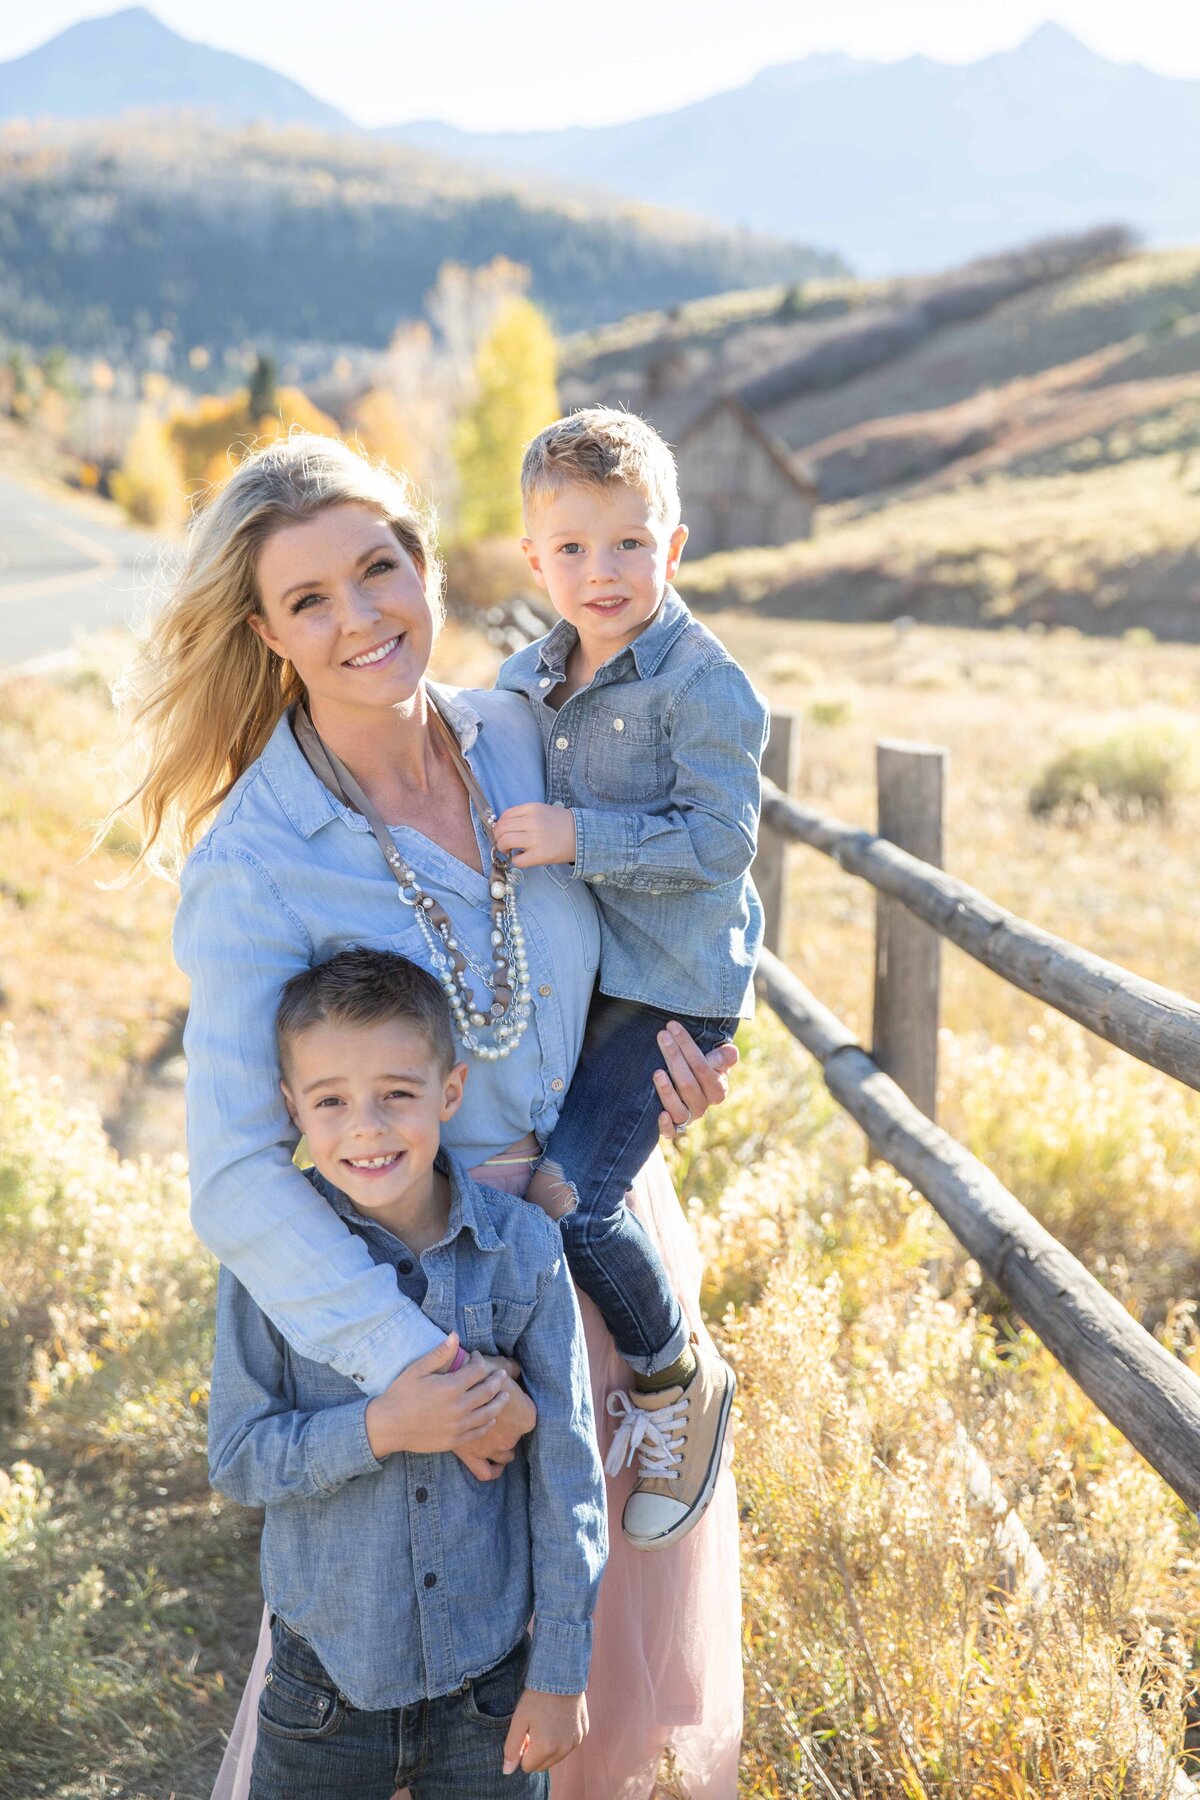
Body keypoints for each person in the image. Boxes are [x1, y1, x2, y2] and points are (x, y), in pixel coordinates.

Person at [119, 431, 743, 1798]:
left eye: (377, 569)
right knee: (434, 1713)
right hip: (438, 1311)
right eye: (309, 601)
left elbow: (660, 912)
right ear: (267, 633)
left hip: (602, 1239)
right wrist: (418, 1373)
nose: (361, 618)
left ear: (424, 565)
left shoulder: (523, 732)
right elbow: (232, 1174)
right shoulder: (258, 859)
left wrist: (667, 1062)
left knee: (604, 1686)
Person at [208, 947, 606, 1799]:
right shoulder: (270, 1263)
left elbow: (569, 1468)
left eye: (397, 1094)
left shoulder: (521, 1248)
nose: (366, 1127)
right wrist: (381, 1428)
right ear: (292, 1111)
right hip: (326, 1691)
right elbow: (240, 1456)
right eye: (331, 1102)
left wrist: (562, 1669)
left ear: (450, 1092)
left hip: (491, 1689)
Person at [493, 407, 769, 1552]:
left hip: (667, 993)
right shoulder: (533, 676)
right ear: (532, 558)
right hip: (589, 986)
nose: (600, 573)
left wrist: (577, 835)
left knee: (572, 1199)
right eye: (572, 549)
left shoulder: (707, 686)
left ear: (676, 545)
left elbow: (719, 845)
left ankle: (673, 1376)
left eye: (629, 545)